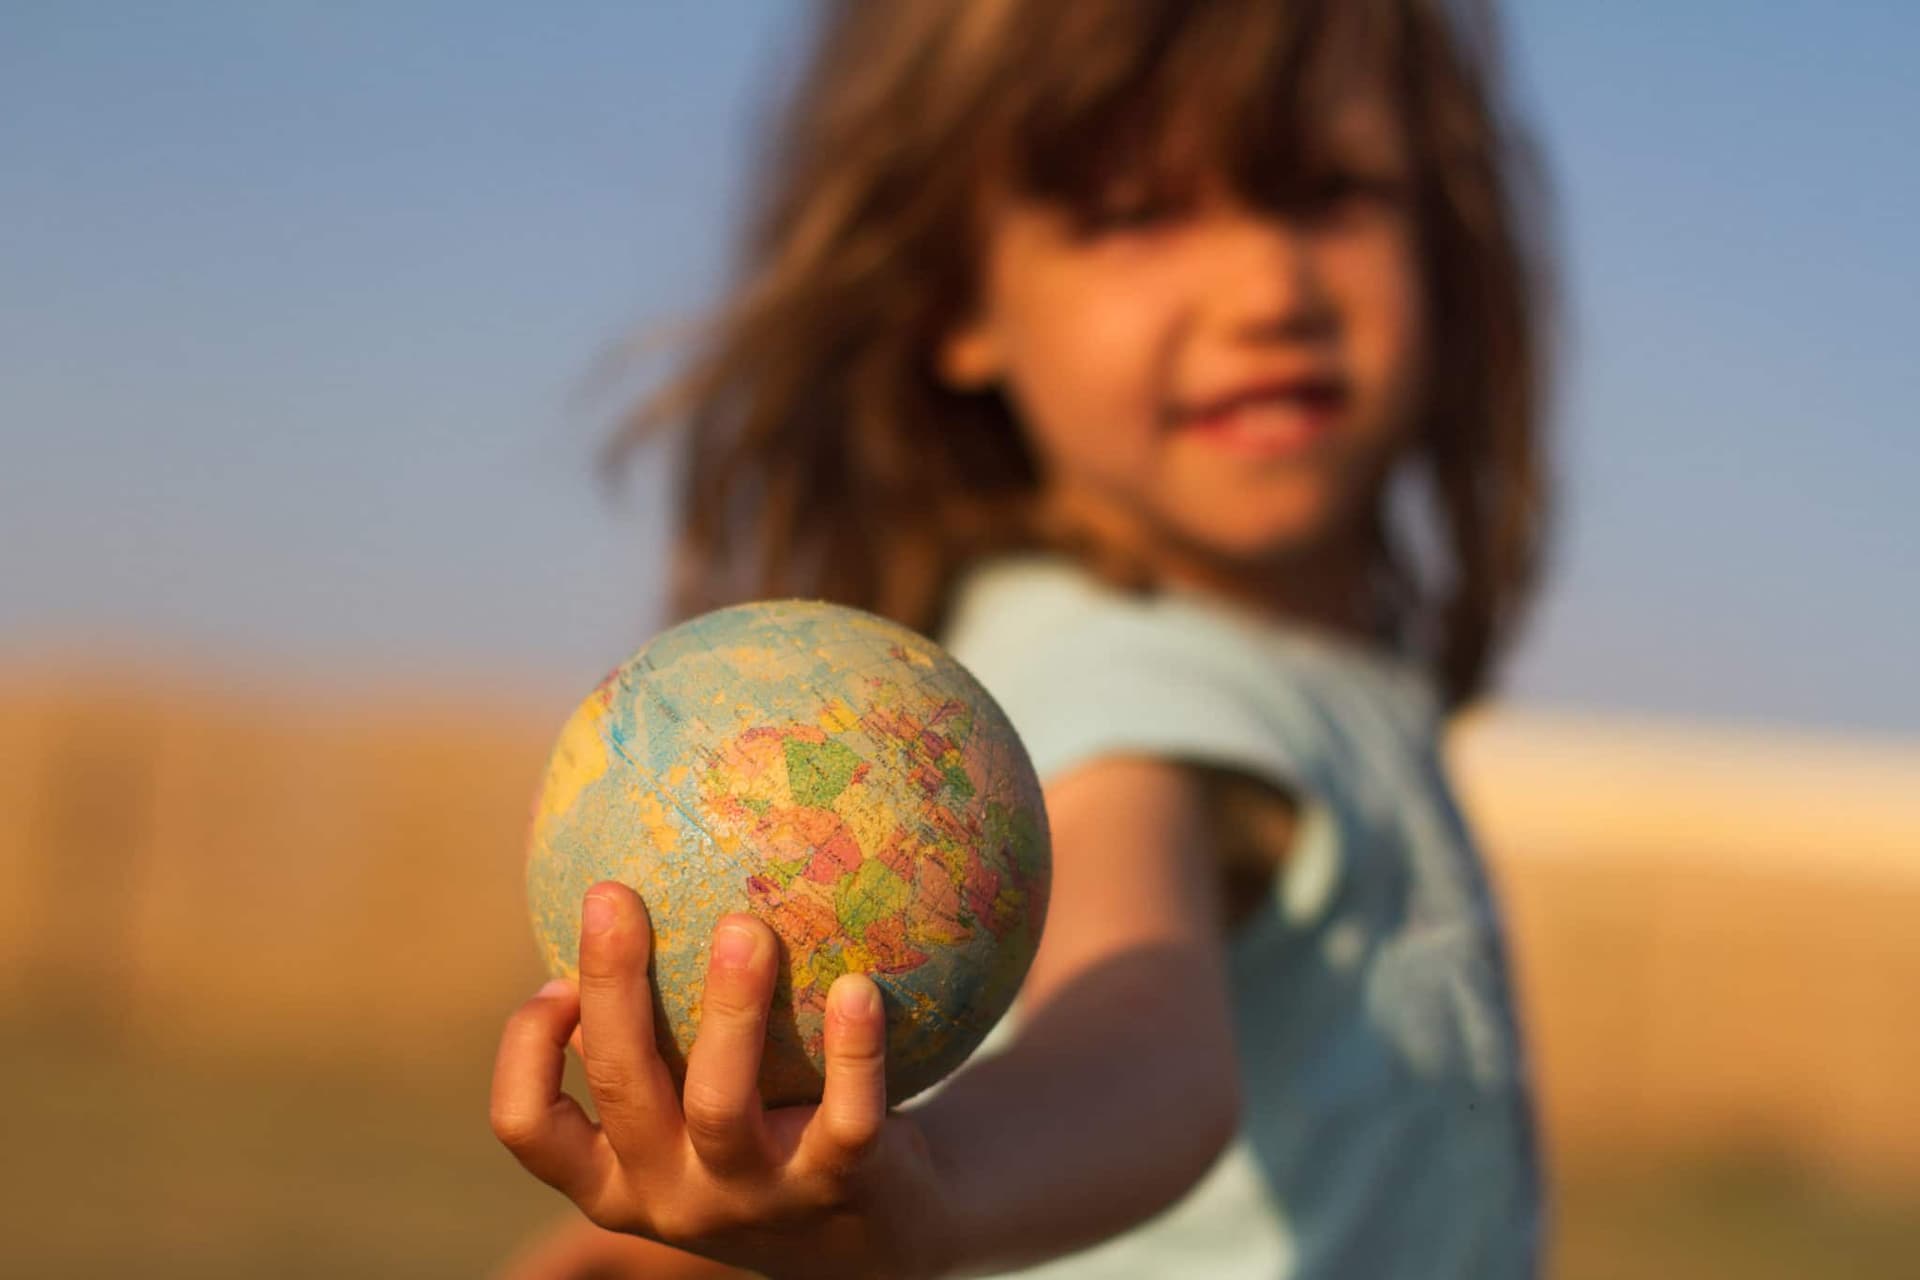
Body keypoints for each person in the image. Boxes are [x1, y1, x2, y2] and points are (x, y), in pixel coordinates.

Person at [489, 0, 1554, 1275]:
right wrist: (935, 1181)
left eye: (1329, 191)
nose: (1269, 288)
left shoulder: (1295, 666)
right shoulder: (1135, 676)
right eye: (1133, 213)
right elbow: (1138, 1042)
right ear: (956, 300)